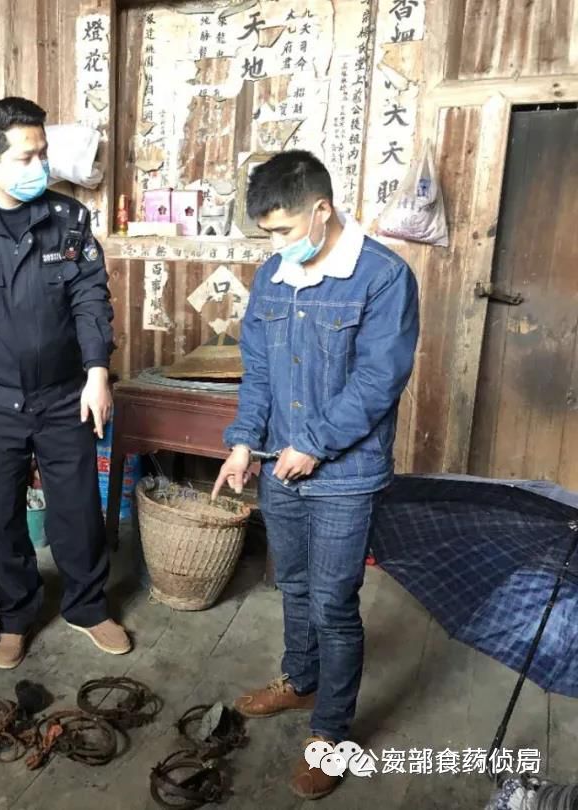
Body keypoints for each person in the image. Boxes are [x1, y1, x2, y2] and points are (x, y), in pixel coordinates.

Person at [212, 151, 419, 799]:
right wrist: (244, 443)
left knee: (333, 602)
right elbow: (259, 372)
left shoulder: (383, 276)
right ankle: (301, 681)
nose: (276, 246)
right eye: (267, 234)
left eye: (283, 229)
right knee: (295, 586)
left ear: (321, 210)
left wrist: (315, 443)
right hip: (280, 465)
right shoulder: (274, 276)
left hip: (346, 475)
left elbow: (379, 380)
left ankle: (330, 733)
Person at [0, 97, 130, 669]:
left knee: (78, 507)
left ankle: (88, 607)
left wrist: (97, 374)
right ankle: (16, 615)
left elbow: (91, 300)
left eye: (43, 153)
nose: (40, 166)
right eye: (25, 157)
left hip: (65, 394)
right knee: (1, 513)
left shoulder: (68, 219)